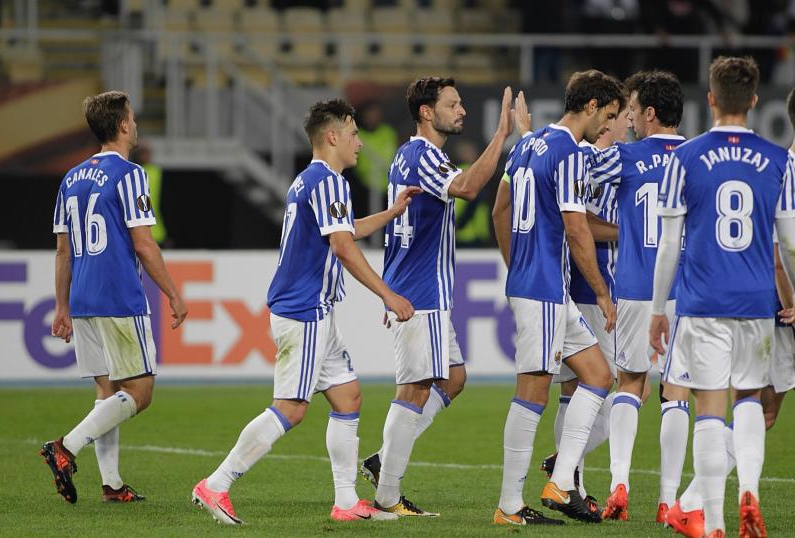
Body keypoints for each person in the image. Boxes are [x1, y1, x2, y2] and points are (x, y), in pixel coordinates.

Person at [191, 98, 419, 525]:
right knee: (292, 408)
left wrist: (390, 214)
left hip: (315, 312)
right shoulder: (329, 182)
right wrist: (388, 295)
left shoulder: (312, 181)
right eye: (354, 135)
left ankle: (347, 502)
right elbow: (343, 247)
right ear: (332, 136)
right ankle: (216, 484)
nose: (360, 145)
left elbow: (344, 231)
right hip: (304, 311)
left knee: (348, 397)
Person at [361, 77, 521, 517]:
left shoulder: (412, 155)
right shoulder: (424, 155)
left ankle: (384, 460)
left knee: (452, 378)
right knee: (412, 388)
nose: (462, 110)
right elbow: (469, 188)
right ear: (427, 112)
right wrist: (501, 137)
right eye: (453, 103)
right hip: (419, 291)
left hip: (420, 287)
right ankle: (387, 497)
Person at [650, 56, 795, 538]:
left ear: (710, 99)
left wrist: (656, 309)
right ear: (754, 101)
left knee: (709, 407)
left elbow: (669, 243)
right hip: (756, 303)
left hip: (701, 301)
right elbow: (790, 242)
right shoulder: (780, 160)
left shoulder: (684, 158)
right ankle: (748, 489)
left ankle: (712, 522)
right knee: (749, 398)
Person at [43, 90, 188, 504]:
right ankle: (65, 448)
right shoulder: (130, 174)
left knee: (108, 394)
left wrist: (62, 305)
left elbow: (62, 250)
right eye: (134, 118)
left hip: (85, 299)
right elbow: (144, 244)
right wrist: (174, 294)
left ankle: (111, 484)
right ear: (123, 125)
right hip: (119, 297)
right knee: (139, 393)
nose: (137, 124)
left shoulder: (70, 178)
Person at [493, 69, 621, 526]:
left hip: (542, 287)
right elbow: (576, 226)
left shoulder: (529, 143)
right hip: (545, 290)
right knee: (532, 392)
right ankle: (509, 505)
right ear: (590, 107)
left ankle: (562, 480)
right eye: (606, 115)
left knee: (598, 375)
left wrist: (517, 264)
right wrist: (603, 292)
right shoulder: (567, 150)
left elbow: (499, 209)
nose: (607, 126)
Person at [585, 70, 690, 523]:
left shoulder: (624, 158)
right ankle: (667, 500)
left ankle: (619, 483)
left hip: (631, 288)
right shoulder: (698, 156)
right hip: (685, 292)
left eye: (631, 109)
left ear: (649, 112)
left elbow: (579, 172)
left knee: (630, 382)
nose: (628, 117)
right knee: (677, 393)